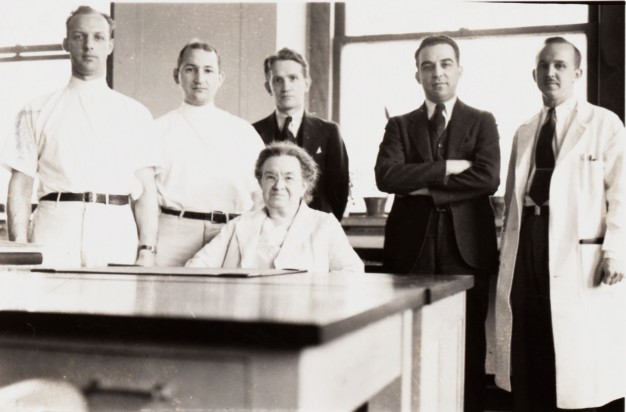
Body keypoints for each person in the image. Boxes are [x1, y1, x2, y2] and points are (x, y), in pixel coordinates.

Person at [495, 37, 626, 412]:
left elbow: (623, 194)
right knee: (529, 343)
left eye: (560, 66)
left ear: (578, 73)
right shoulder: (525, 130)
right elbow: (512, 200)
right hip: (529, 245)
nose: (550, 73)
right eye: (543, 66)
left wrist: (615, 251)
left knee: (575, 359)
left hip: (578, 250)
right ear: (533, 74)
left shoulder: (604, 124)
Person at [374, 35, 500, 412]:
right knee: (409, 343)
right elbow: (387, 177)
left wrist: (425, 189)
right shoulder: (399, 125)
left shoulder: (482, 121)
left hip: (468, 251)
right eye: (428, 66)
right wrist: (445, 169)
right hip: (410, 251)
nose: (437, 72)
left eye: (445, 64)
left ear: (459, 70)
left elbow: (488, 178)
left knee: (468, 345)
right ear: (417, 74)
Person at [4, 6, 159, 267]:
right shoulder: (35, 109)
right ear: (66, 43)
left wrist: (147, 248)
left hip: (115, 229)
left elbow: (146, 190)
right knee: (51, 305)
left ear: (110, 45)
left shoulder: (135, 114)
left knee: (113, 305)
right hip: (54, 226)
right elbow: (21, 185)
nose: (89, 45)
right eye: (79, 37)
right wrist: (20, 246)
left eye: (98, 37)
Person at [154, 40, 265, 266]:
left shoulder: (243, 131)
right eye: (190, 69)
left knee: (229, 300)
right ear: (177, 75)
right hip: (174, 233)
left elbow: (260, 195)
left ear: (219, 78)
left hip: (230, 230)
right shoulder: (157, 129)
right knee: (170, 299)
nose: (199, 79)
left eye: (208, 70)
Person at [186, 142, 363, 273]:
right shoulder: (239, 224)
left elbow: (352, 272)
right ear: (260, 182)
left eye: (289, 178)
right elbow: (196, 267)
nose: (278, 186)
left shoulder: (324, 224)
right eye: (270, 177)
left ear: (304, 185)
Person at [253, 47, 349, 221]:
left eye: (293, 78)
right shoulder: (253, 132)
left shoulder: (329, 132)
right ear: (269, 87)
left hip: (314, 229)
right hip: (267, 230)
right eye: (278, 80)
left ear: (306, 83)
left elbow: (339, 192)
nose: (286, 87)